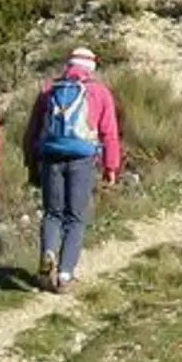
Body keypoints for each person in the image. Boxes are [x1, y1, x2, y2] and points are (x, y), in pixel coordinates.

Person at [23, 47, 122, 294]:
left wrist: (31, 161)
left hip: (50, 157)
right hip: (82, 159)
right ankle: (65, 274)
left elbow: (31, 132)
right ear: (91, 68)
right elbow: (109, 133)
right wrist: (111, 166)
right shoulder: (99, 92)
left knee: (52, 213)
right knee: (75, 217)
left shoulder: (48, 91)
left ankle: (47, 253)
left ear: (68, 66)